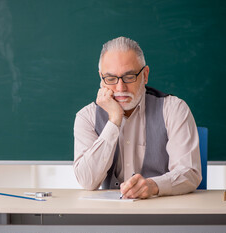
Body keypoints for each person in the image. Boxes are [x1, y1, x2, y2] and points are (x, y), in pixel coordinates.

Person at [73, 36, 202, 199]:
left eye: (129, 77)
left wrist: (154, 186)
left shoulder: (174, 109)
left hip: (163, 210)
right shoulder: (86, 117)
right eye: (111, 79)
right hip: (109, 215)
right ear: (101, 79)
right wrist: (114, 120)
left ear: (145, 75)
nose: (120, 87)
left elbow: (190, 173)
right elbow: (87, 181)